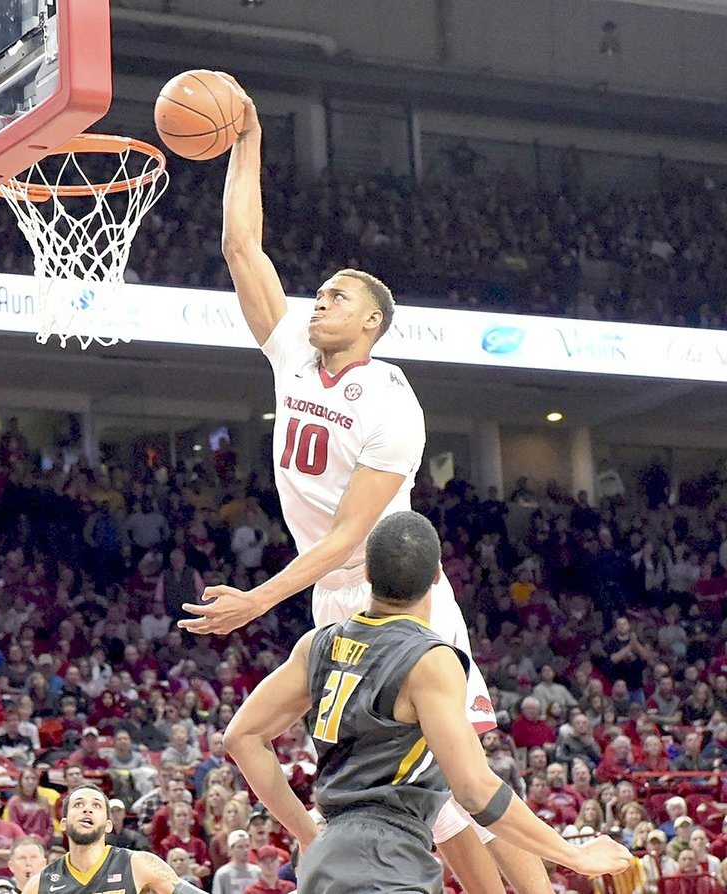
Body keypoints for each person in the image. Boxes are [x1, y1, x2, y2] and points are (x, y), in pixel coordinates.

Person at [179, 75, 554, 894]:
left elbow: (353, 537)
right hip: (328, 604)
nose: (319, 302)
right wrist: (247, 141)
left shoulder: (389, 400)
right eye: (320, 294)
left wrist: (255, 602)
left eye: (337, 296)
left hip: (399, 597)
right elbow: (244, 249)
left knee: (461, 776)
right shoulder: (290, 355)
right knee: (416, 794)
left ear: (372, 322)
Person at [223, 511, 632, 894]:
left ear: (366, 574)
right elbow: (475, 790)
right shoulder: (430, 660)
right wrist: (574, 855)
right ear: (438, 575)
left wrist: (304, 832)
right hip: (387, 861)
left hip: (328, 858)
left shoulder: (317, 644)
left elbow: (241, 736)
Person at [20, 784, 206, 894]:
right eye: (79, 804)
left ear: (108, 824)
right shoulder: (39, 885)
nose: (87, 809)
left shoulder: (138, 864)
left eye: (96, 805)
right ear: (64, 823)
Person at [211, 830, 261, 894]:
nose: (245, 850)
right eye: (240, 847)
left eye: (247, 846)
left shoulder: (258, 872)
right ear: (231, 849)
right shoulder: (222, 874)